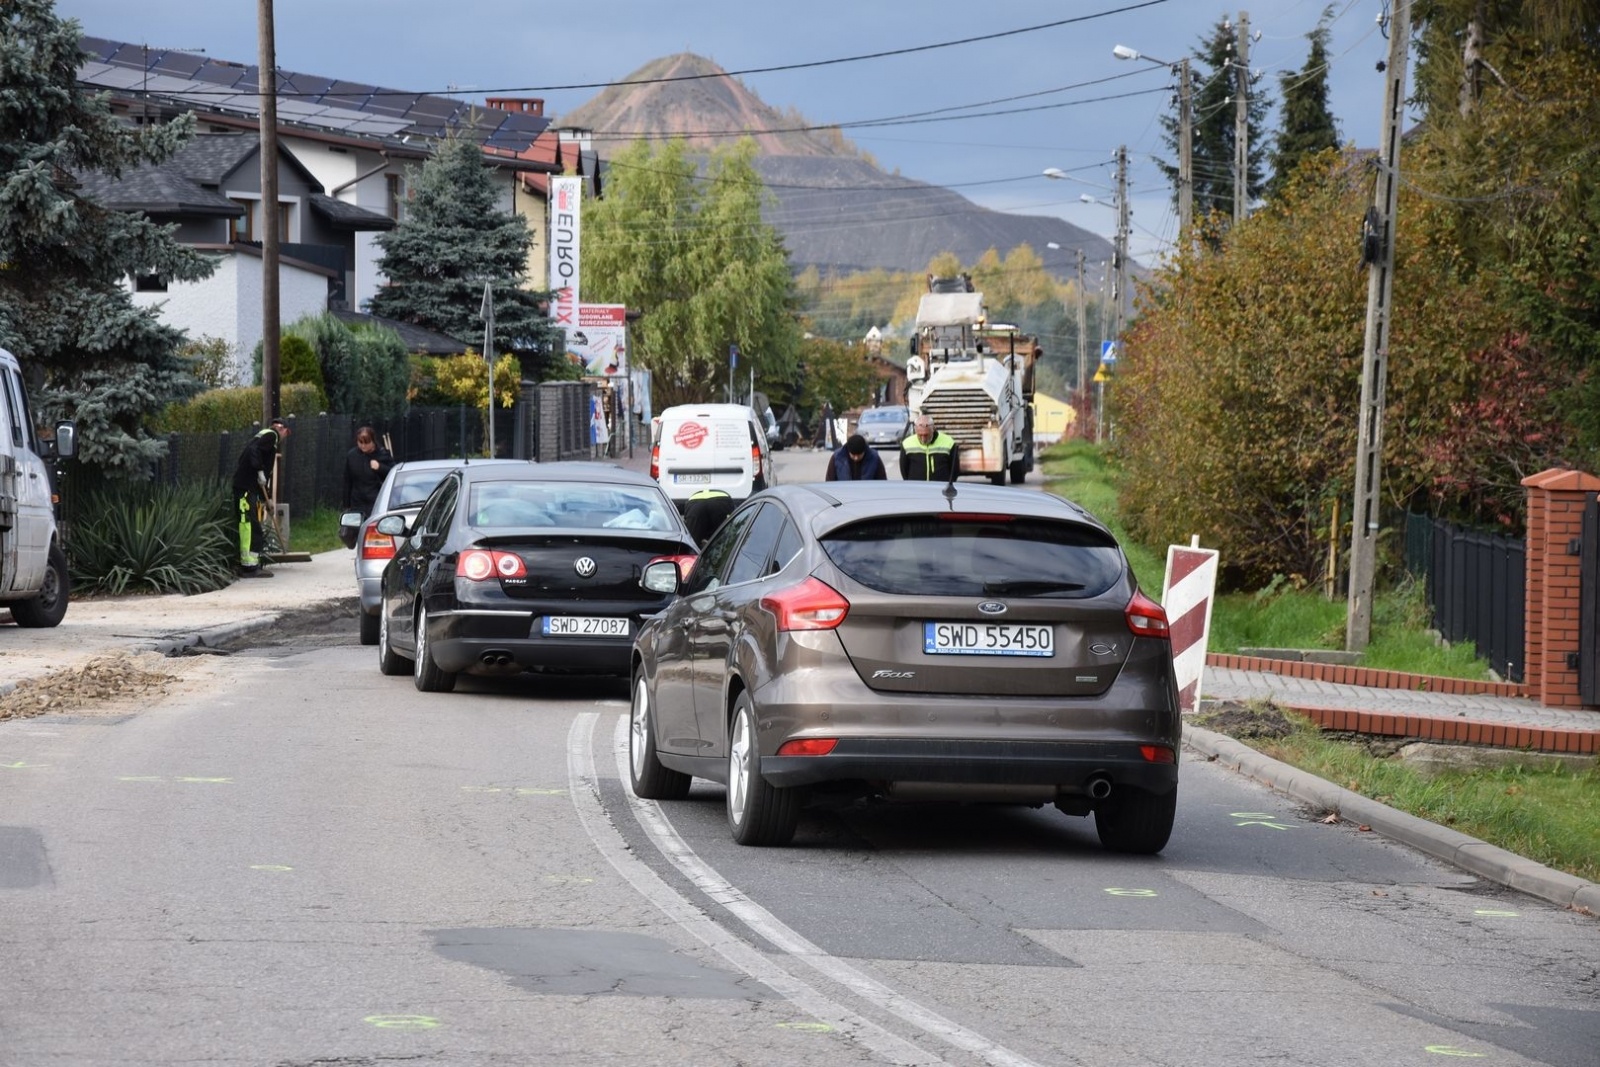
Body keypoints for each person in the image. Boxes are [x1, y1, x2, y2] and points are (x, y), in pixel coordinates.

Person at [232, 417, 289, 577]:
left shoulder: (264, 437)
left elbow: (260, 468)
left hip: (249, 488)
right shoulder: (271, 435)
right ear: (282, 429)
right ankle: (249, 566)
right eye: (287, 432)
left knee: (251, 526)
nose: (285, 436)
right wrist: (259, 471)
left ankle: (250, 563)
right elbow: (253, 452)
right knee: (249, 526)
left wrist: (267, 499)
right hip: (245, 489)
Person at [341, 426, 393, 519]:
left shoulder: (383, 454)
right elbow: (347, 481)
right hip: (357, 501)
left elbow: (393, 475)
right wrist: (346, 504)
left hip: (376, 501)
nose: (363, 446)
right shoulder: (352, 456)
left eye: (367, 442)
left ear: (373, 441)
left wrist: (380, 467)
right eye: (360, 442)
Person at [900, 414, 959, 481]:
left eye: (926, 435)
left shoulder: (949, 442)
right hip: (916, 488)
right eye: (920, 435)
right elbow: (904, 470)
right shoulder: (907, 444)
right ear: (915, 430)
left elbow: (955, 469)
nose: (923, 439)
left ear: (933, 429)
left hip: (941, 488)